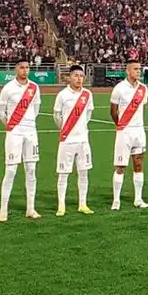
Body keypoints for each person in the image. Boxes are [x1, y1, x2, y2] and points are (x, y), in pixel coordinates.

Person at [0, 59, 41, 222]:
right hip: (14, 133)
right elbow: (0, 112)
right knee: (11, 170)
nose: (25, 70)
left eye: (27, 68)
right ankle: (3, 210)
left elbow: (36, 109)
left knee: (31, 169)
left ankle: (30, 208)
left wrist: (27, 123)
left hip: (31, 133)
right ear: (16, 69)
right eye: (22, 67)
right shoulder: (8, 88)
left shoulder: (34, 88)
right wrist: (12, 125)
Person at [53, 65, 94, 216]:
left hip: (83, 140)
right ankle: (61, 206)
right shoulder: (63, 95)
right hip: (67, 140)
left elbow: (88, 114)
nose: (78, 79)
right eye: (76, 76)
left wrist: (81, 128)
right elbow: (57, 116)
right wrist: (66, 129)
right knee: (63, 173)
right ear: (69, 77)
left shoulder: (88, 94)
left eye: (81, 76)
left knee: (84, 173)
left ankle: (82, 204)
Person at [110, 60, 148, 210]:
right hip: (124, 131)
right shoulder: (119, 88)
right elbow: (113, 111)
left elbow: (142, 110)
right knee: (120, 166)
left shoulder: (143, 89)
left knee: (138, 164)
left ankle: (138, 199)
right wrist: (120, 125)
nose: (138, 71)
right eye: (135, 69)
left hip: (139, 131)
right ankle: (116, 200)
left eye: (139, 69)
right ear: (128, 71)